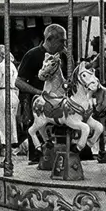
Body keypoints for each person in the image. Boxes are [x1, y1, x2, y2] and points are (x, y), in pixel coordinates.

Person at [15, 24, 69, 163]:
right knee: (39, 126)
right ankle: (38, 157)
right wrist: (38, 91)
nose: (64, 44)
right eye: (61, 41)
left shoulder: (63, 55)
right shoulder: (32, 54)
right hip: (38, 101)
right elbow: (19, 81)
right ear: (49, 39)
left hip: (59, 100)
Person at [0, 44, 19, 159]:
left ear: (0, 55)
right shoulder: (12, 66)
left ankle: (4, 145)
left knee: (1, 120)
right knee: (11, 119)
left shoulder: (0, 67)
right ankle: (12, 144)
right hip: (13, 93)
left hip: (1, 93)